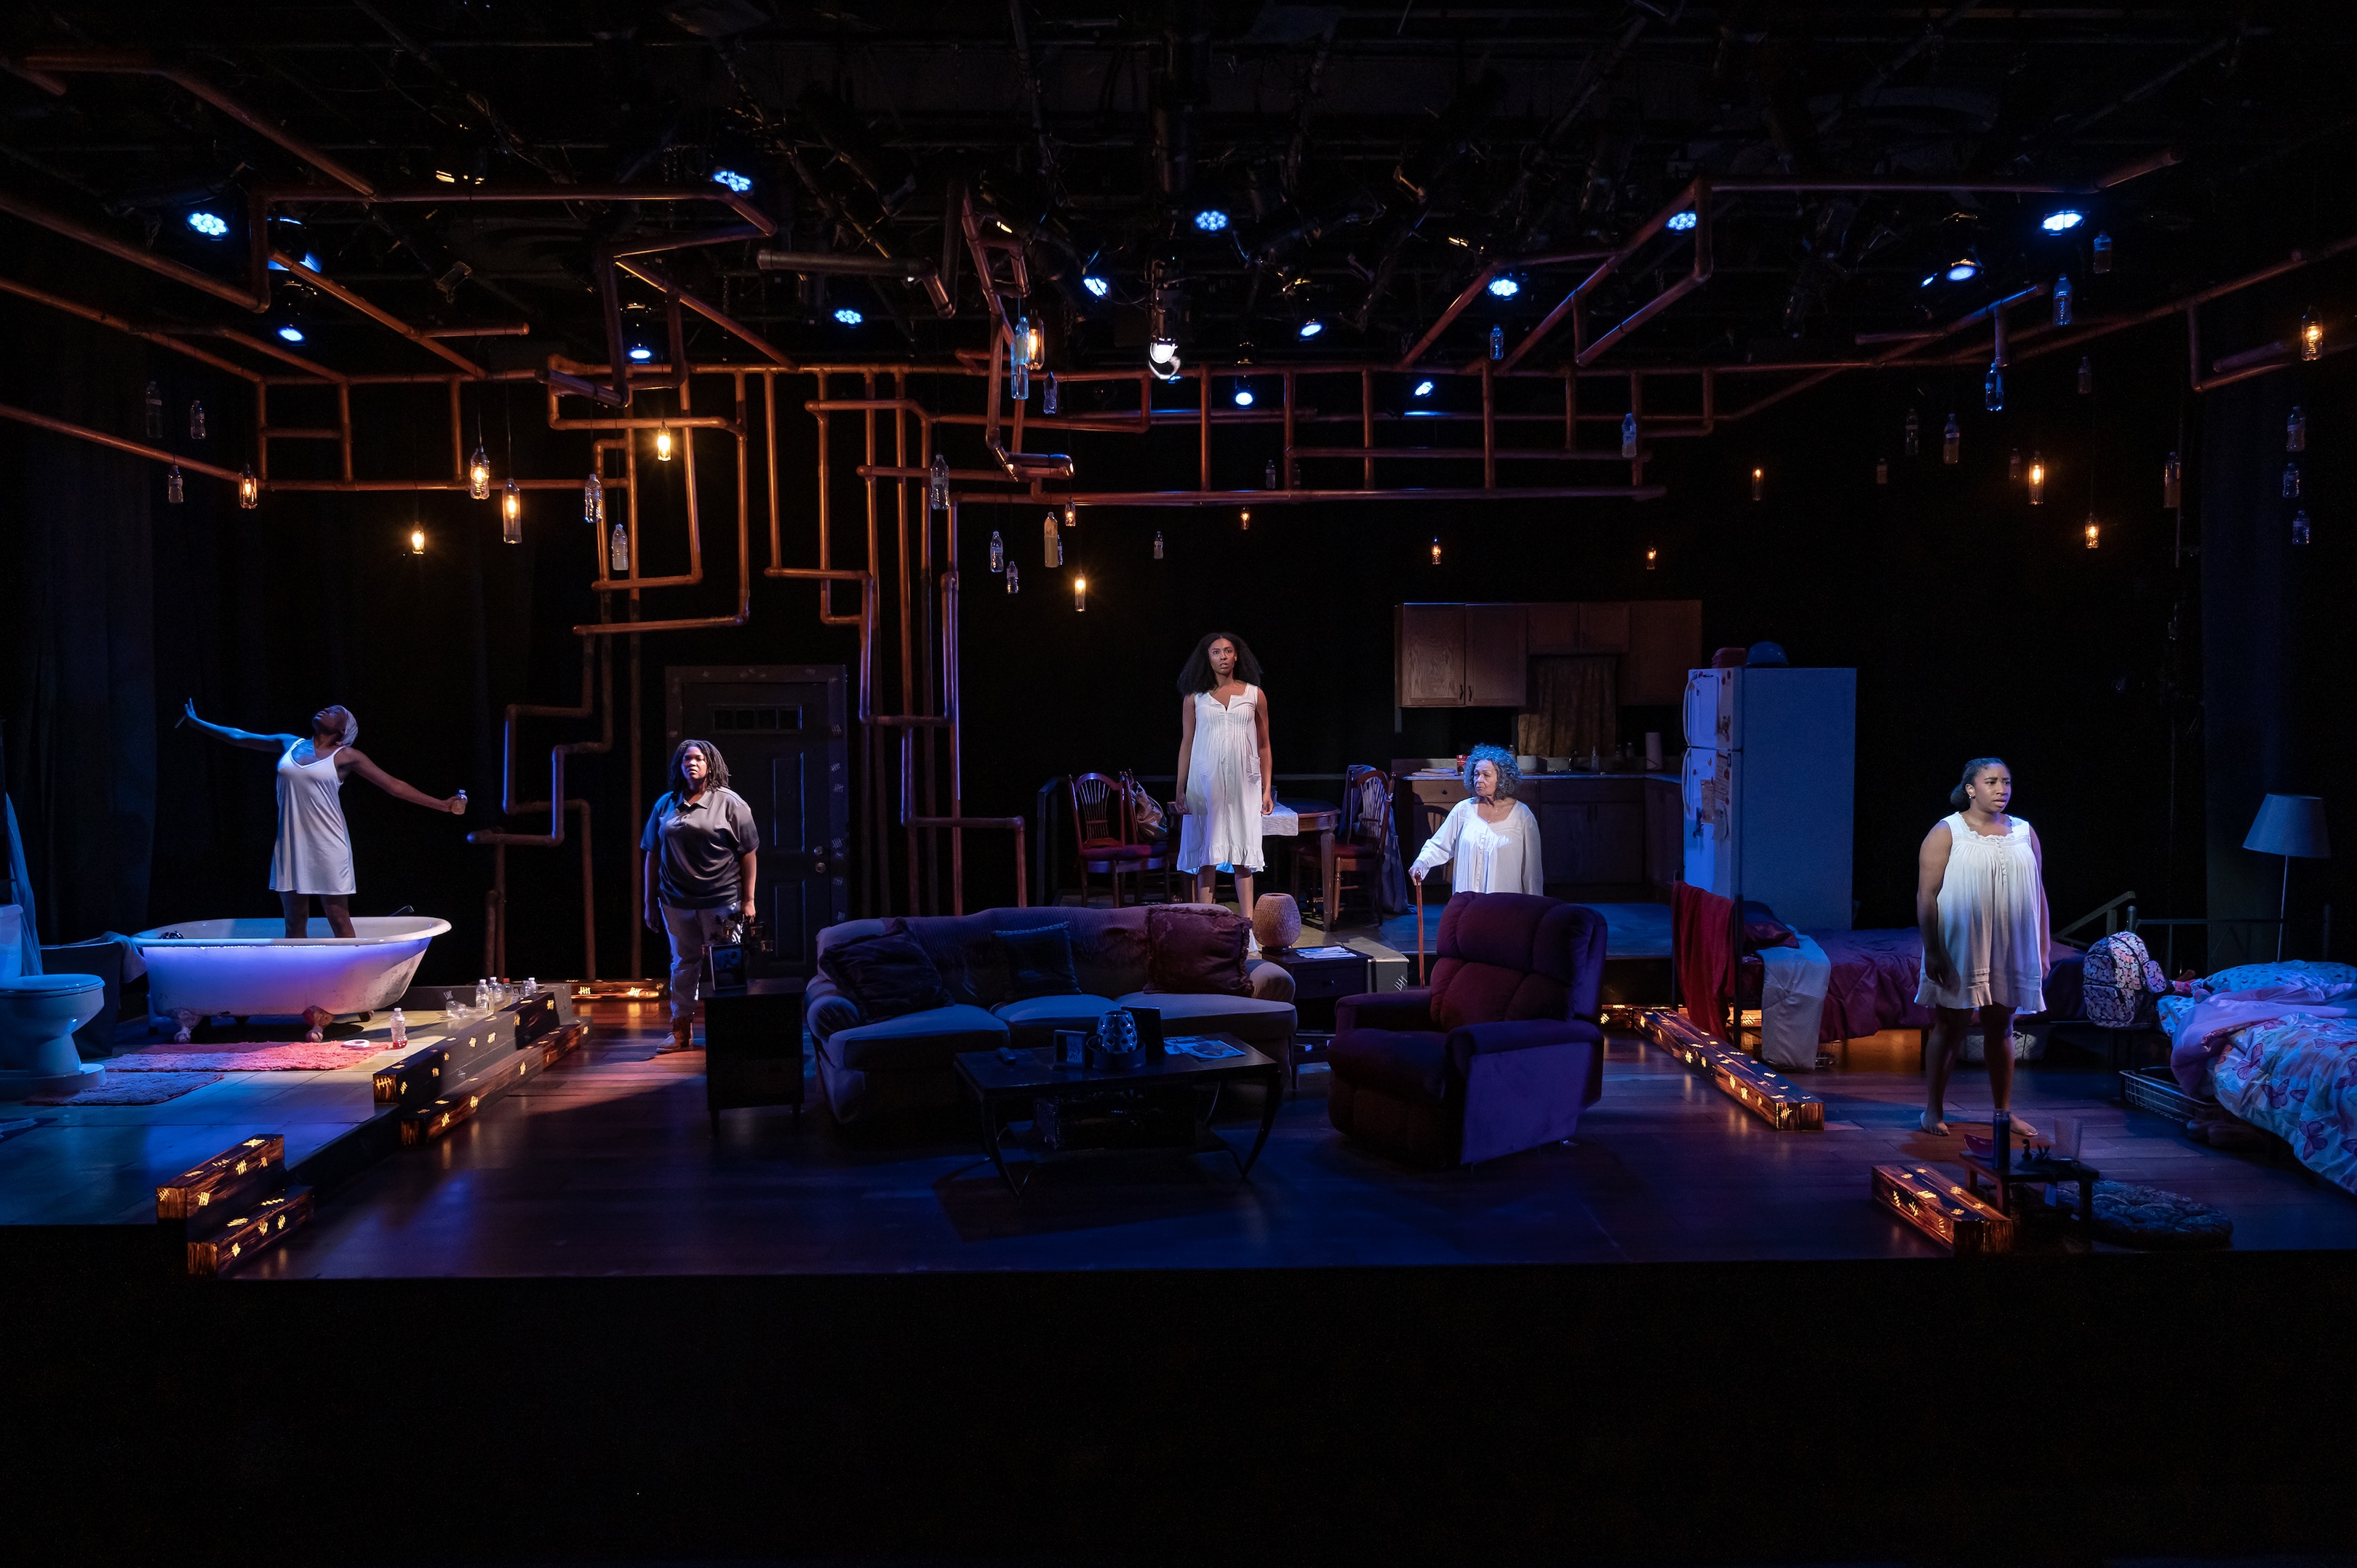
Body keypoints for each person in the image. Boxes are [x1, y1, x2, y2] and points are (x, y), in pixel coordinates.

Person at [181, 700, 466, 937]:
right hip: (291, 844)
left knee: (338, 919)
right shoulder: (289, 744)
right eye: (327, 708)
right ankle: (299, 993)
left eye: (334, 712)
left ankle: (354, 991)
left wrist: (441, 804)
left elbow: (393, 786)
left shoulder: (346, 756)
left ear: (342, 731)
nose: (325, 710)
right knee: (294, 922)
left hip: (328, 845)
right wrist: (198, 723)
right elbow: (241, 737)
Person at [1915, 756, 2050, 1136]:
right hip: (1961, 942)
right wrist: (1934, 950)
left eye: (2006, 782)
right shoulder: (1948, 832)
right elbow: (1927, 896)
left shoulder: (2024, 831)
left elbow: (2038, 893)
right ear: (1971, 789)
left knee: (2002, 1025)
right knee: (1951, 1023)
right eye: (1991, 782)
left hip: (2011, 943)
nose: (2001, 790)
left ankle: (2003, 1113)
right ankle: (1932, 1111)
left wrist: (2042, 947)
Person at [641, 738, 759, 1053]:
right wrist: (649, 901)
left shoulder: (731, 803)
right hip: (676, 901)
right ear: (679, 766)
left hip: (721, 899)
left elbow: (749, 852)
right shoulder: (665, 804)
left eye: (698, 759)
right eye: (686, 760)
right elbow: (652, 853)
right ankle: (681, 1033)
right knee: (683, 964)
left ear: (710, 764)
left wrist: (748, 900)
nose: (692, 764)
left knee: (727, 962)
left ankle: (732, 1030)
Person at [1173, 631, 1274, 922]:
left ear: (1237, 655)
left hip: (1245, 784)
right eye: (1216, 652)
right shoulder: (1195, 698)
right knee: (1208, 856)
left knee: (1244, 857)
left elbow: (1265, 745)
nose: (1223, 657)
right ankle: (1206, 923)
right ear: (1208, 657)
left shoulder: (1254, 694)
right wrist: (1180, 787)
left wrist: (1267, 789)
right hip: (1205, 783)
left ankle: (1248, 927)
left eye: (1228, 651)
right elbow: (1187, 743)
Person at [1410, 744, 1545, 895]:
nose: (1479, 780)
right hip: (1469, 904)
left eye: (1486, 775)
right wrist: (1422, 862)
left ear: (1502, 778)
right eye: (1476, 774)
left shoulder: (1522, 816)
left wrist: (1534, 907)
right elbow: (1440, 845)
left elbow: (1532, 872)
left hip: (1505, 907)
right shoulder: (1464, 810)